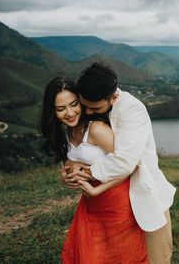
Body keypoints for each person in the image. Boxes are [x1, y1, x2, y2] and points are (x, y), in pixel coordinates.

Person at [63, 62, 176, 264]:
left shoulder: (133, 111)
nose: (87, 112)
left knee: (157, 257)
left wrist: (85, 173)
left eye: (95, 107)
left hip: (144, 192)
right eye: (84, 105)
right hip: (113, 203)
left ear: (114, 96)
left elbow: (124, 162)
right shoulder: (91, 109)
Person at [39, 77, 148, 263]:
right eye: (60, 108)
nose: (69, 112)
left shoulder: (96, 129)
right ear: (52, 111)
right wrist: (66, 177)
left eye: (74, 104)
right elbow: (69, 167)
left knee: (120, 256)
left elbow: (131, 166)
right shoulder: (64, 134)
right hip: (90, 205)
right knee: (88, 255)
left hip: (118, 203)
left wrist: (97, 189)